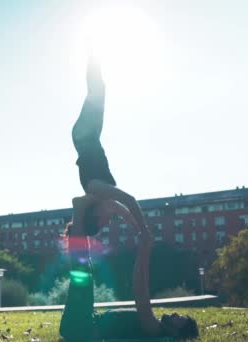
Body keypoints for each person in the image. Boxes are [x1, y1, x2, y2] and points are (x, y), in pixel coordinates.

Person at [59, 221, 199, 341]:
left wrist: (144, 250)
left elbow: (140, 292)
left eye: (179, 319)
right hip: (84, 322)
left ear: (177, 334)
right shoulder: (155, 326)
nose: (175, 314)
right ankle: (79, 227)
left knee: (83, 271)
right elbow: (142, 284)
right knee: (84, 269)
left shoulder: (154, 328)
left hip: (82, 327)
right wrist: (144, 253)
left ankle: (78, 221)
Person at [70, 54, 148, 237]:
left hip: (84, 135)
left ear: (96, 217)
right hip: (91, 136)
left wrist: (145, 232)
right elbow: (126, 212)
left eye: (103, 223)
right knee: (98, 90)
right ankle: (93, 54)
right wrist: (137, 227)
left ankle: (92, 52)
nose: (108, 220)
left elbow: (130, 200)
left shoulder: (95, 189)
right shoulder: (104, 199)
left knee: (97, 90)